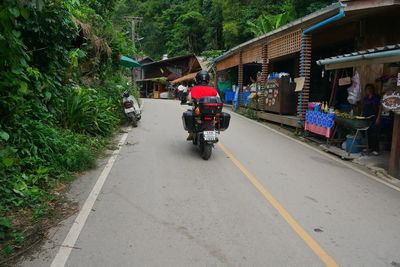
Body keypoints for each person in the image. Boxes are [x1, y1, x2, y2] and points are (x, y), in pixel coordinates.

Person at [186, 70, 219, 140]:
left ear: (197, 79)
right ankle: (214, 127)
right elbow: (218, 99)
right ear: (208, 79)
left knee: (191, 116)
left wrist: (190, 102)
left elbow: (189, 99)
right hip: (211, 113)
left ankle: (191, 133)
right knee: (215, 118)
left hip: (199, 112)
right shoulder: (213, 90)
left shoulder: (193, 89)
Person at [362, 83, 382, 155]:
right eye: (367, 89)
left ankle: (376, 149)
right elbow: (364, 108)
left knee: (374, 134)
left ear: (373, 90)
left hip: (374, 118)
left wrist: (378, 118)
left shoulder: (377, 98)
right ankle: (369, 147)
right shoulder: (365, 98)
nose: (369, 91)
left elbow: (380, 108)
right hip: (366, 118)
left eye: (370, 89)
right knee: (367, 133)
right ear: (365, 91)